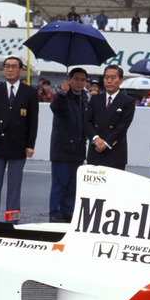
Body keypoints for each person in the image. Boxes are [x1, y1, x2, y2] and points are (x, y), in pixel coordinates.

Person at [0, 56, 39, 221]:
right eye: (7, 66)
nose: (10, 69)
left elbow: (33, 121)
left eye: (14, 66)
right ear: (3, 69)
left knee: (14, 187)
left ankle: (12, 219)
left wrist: (30, 145)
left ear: (21, 70)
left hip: (19, 144)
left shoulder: (30, 92)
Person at [49, 68, 89, 222]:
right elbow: (55, 108)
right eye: (76, 79)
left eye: (82, 80)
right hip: (62, 148)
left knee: (72, 185)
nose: (79, 82)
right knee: (60, 184)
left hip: (78, 148)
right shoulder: (63, 96)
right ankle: (54, 212)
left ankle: (68, 211)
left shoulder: (84, 97)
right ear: (70, 79)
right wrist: (62, 93)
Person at [84, 64, 135, 171]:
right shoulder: (95, 99)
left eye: (113, 77)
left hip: (115, 153)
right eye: (106, 77)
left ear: (121, 80)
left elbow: (123, 126)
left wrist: (106, 143)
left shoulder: (127, 101)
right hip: (95, 152)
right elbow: (87, 121)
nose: (109, 81)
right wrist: (95, 138)